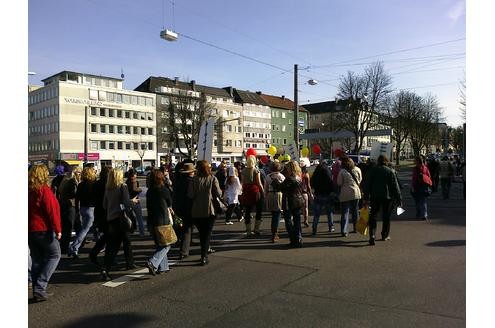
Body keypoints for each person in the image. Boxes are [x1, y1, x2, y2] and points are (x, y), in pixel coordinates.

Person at [28, 164, 62, 302]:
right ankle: (40, 287)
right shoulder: (44, 190)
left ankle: (37, 288)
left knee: (37, 260)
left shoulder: (29, 191)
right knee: (55, 255)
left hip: (30, 229)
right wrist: (58, 229)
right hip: (43, 228)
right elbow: (52, 211)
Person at [102, 168, 138, 280]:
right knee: (121, 243)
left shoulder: (108, 188)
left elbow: (104, 205)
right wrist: (133, 201)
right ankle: (107, 268)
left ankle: (128, 262)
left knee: (117, 243)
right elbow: (126, 203)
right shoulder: (123, 187)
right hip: (121, 219)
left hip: (111, 218)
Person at [362, 155, 402, 245]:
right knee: (386, 217)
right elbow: (395, 187)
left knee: (373, 216)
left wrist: (365, 198)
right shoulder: (390, 171)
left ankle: (372, 235)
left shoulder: (372, 170)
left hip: (374, 196)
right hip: (387, 197)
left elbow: (367, 185)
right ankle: (385, 235)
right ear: (386, 161)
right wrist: (399, 199)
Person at [188, 160, 222, 265]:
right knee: (207, 234)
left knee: (202, 233)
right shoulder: (212, 178)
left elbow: (190, 194)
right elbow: (219, 193)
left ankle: (203, 255)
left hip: (196, 210)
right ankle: (204, 256)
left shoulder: (194, 180)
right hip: (209, 210)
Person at [145, 170, 174, 275]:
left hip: (151, 220)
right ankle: (153, 262)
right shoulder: (163, 190)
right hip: (163, 221)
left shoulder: (150, 191)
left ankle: (163, 267)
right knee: (167, 244)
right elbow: (170, 203)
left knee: (159, 244)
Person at [68, 166, 97, 258]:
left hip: (83, 208)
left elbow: (77, 199)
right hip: (91, 208)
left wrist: (77, 209)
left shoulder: (81, 184)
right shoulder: (94, 184)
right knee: (85, 230)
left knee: (90, 228)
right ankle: (73, 247)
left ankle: (100, 244)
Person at [277, 160, 304, 248]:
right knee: (297, 221)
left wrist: (275, 182)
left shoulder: (290, 178)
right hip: (298, 200)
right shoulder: (299, 177)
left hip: (290, 200)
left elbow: (281, 187)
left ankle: (294, 240)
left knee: (288, 221)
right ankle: (299, 239)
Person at [173, 161, 195, 260]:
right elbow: (190, 196)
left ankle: (175, 242)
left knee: (179, 227)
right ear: (191, 172)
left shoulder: (178, 181)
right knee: (187, 230)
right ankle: (184, 251)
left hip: (178, 208)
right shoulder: (190, 182)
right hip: (187, 209)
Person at [89, 166, 110, 268]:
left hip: (98, 210)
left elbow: (92, 197)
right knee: (109, 235)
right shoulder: (107, 185)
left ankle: (96, 252)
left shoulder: (96, 183)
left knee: (106, 234)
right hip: (106, 211)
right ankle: (106, 258)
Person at [58, 166, 81, 255]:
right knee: (72, 227)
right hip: (72, 206)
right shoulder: (73, 181)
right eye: (79, 173)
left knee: (68, 227)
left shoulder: (65, 180)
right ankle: (68, 247)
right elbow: (74, 193)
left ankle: (67, 246)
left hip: (64, 205)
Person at [336, 156, 362, 236]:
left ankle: (344, 230)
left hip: (345, 193)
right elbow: (360, 180)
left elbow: (339, 183)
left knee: (345, 212)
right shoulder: (357, 169)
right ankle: (355, 228)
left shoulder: (342, 171)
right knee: (355, 211)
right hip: (356, 192)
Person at [240, 155, 264, 236]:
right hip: (255, 191)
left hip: (246, 190)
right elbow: (259, 183)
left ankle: (248, 231)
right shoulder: (256, 170)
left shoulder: (243, 171)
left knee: (247, 210)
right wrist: (263, 192)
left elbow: (242, 183)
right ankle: (256, 229)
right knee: (259, 210)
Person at [310, 162, 335, 235]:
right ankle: (331, 227)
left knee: (317, 214)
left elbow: (312, 183)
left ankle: (314, 228)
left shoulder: (316, 174)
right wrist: (332, 191)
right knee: (329, 212)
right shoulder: (327, 172)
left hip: (318, 194)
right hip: (327, 194)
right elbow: (331, 182)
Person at [264, 161, 285, 242]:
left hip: (270, 195)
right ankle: (275, 233)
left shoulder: (268, 177)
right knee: (277, 215)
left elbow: (265, 189)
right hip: (278, 195)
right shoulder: (281, 176)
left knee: (273, 215)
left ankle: (273, 232)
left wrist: (266, 198)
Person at [410, 155, 432, 221]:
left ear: (417, 161)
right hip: (424, 186)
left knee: (417, 201)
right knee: (423, 201)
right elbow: (429, 176)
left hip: (417, 186)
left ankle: (419, 213)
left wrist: (412, 186)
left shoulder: (415, 168)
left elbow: (414, 178)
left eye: (415, 160)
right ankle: (424, 214)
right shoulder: (425, 167)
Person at [126, 169, 145, 236]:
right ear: (134, 174)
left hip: (129, 200)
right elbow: (135, 189)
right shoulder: (134, 181)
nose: (136, 175)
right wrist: (140, 189)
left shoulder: (127, 181)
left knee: (130, 218)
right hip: (136, 200)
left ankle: (130, 230)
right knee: (139, 218)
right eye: (135, 174)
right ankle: (142, 232)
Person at [300, 160, 313, 228]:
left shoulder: (297, 174)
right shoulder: (306, 174)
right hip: (304, 193)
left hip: (297, 193)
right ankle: (306, 220)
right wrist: (310, 194)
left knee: (297, 209)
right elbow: (308, 186)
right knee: (305, 208)